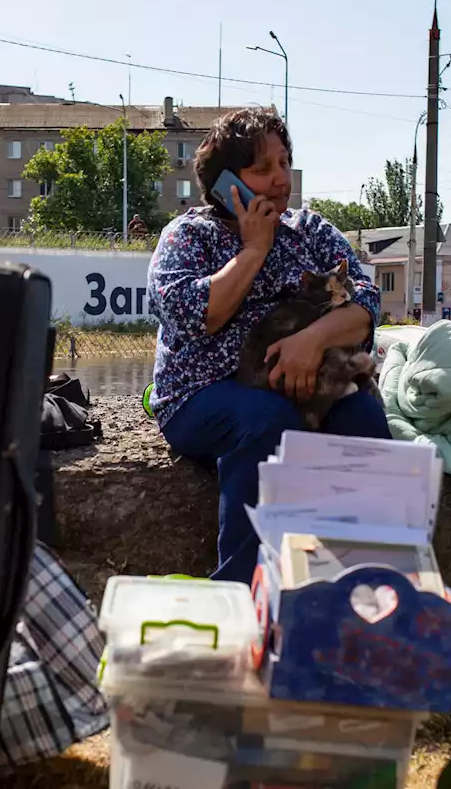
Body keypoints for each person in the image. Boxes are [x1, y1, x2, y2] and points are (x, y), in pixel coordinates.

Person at [146, 107, 391, 584]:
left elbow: (367, 300)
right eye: (262, 170)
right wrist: (253, 250)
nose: (281, 180)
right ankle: (241, 593)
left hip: (303, 388)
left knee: (363, 415)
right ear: (225, 184)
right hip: (203, 397)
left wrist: (312, 341)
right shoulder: (190, 236)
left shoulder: (310, 231)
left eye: (284, 163)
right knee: (266, 422)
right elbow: (190, 313)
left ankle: (365, 585)